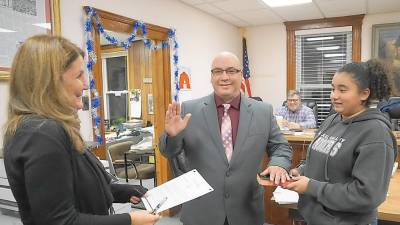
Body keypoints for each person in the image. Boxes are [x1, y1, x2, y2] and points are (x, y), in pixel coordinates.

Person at [3, 35, 160, 225]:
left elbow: (78, 189)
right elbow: (61, 221)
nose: (86, 84)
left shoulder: (50, 128)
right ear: (50, 81)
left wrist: (126, 192)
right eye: (78, 75)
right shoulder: (41, 134)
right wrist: (130, 220)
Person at [159, 51, 293, 225]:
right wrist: (172, 135)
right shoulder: (189, 109)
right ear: (211, 76)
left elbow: (281, 147)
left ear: (241, 76)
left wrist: (278, 164)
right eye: (217, 71)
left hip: (246, 209)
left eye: (231, 71)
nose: (224, 77)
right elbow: (169, 152)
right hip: (201, 209)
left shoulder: (263, 111)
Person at [286, 59, 398, 225]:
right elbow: (322, 160)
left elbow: (366, 195)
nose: (334, 95)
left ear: (364, 94)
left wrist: (311, 187)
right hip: (315, 218)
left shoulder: (376, 134)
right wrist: (302, 171)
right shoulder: (331, 120)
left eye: (342, 90)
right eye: (333, 88)